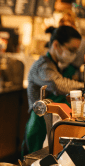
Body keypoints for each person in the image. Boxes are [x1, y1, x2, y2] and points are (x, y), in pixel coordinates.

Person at [24, 25, 83, 155]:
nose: (73, 55)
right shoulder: (43, 66)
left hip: (50, 124)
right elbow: (57, 85)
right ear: (56, 45)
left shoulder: (56, 66)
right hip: (39, 126)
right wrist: (82, 87)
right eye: (72, 50)